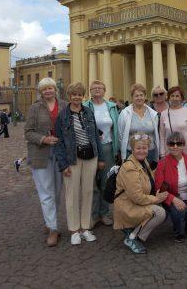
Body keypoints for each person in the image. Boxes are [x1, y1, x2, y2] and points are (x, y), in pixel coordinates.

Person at [55, 82, 105, 246]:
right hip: (72, 159)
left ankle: (85, 227)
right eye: (74, 94)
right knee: (72, 194)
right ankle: (74, 230)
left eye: (79, 94)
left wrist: (101, 158)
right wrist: (63, 165)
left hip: (91, 157)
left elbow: (96, 137)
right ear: (69, 96)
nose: (77, 97)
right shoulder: (63, 116)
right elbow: (59, 142)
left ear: (83, 96)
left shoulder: (88, 111)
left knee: (88, 191)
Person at [24, 78, 67, 247]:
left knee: (56, 191)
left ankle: (51, 220)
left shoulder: (64, 105)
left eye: (50, 88)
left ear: (55, 89)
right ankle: (53, 228)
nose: (48, 91)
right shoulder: (35, 107)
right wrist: (44, 139)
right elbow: (28, 132)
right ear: (41, 92)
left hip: (60, 155)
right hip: (40, 155)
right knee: (46, 192)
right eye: (44, 89)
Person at [113, 133, 168, 254]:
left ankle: (133, 230)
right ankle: (132, 238)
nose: (141, 151)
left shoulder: (143, 162)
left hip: (132, 202)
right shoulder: (130, 167)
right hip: (126, 207)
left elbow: (148, 180)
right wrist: (156, 199)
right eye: (138, 148)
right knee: (160, 213)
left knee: (158, 207)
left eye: (144, 148)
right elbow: (137, 197)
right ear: (132, 149)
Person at [155, 131, 187, 242]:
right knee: (178, 212)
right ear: (167, 145)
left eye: (179, 143)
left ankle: (184, 225)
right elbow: (159, 189)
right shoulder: (162, 163)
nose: (175, 146)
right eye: (171, 144)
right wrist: (173, 199)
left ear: (183, 145)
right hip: (173, 199)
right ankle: (179, 231)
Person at [84, 80, 119, 227]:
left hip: (107, 148)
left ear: (105, 91)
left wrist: (118, 149)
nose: (97, 90)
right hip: (90, 148)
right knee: (91, 183)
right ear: (90, 91)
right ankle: (93, 215)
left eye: (100, 88)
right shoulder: (85, 106)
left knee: (106, 182)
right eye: (94, 88)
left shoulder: (111, 107)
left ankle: (104, 213)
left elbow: (116, 127)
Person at [118, 84, 159, 165]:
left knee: (148, 176)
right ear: (132, 97)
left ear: (145, 97)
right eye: (136, 95)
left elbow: (155, 135)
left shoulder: (153, 114)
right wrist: (123, 153)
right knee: (133, 176)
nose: (139, 98)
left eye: (141, 95)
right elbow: (120, 135)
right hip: (131, 152)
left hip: (149, 151)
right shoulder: (125, 113)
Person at [160, 86, 187, 159]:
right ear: (168, 98)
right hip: (170, 150)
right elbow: (162, 136)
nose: (174, 98)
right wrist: (162, 153)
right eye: (172, 96)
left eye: (177, 96)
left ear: (181, 98)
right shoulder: (164, 114)